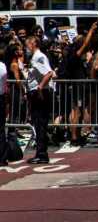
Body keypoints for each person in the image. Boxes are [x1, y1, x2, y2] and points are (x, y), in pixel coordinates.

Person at [24, 34, 56, 164]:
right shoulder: (36, 57)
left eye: (27, 45)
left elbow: (48, 73)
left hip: (39, 94)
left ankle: (42, 154)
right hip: (37, 93)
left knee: (40, 123)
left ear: (33, 44)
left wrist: (40, 88)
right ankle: (40, 152)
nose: (26, 48)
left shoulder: (39, 57)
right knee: (38, 123)